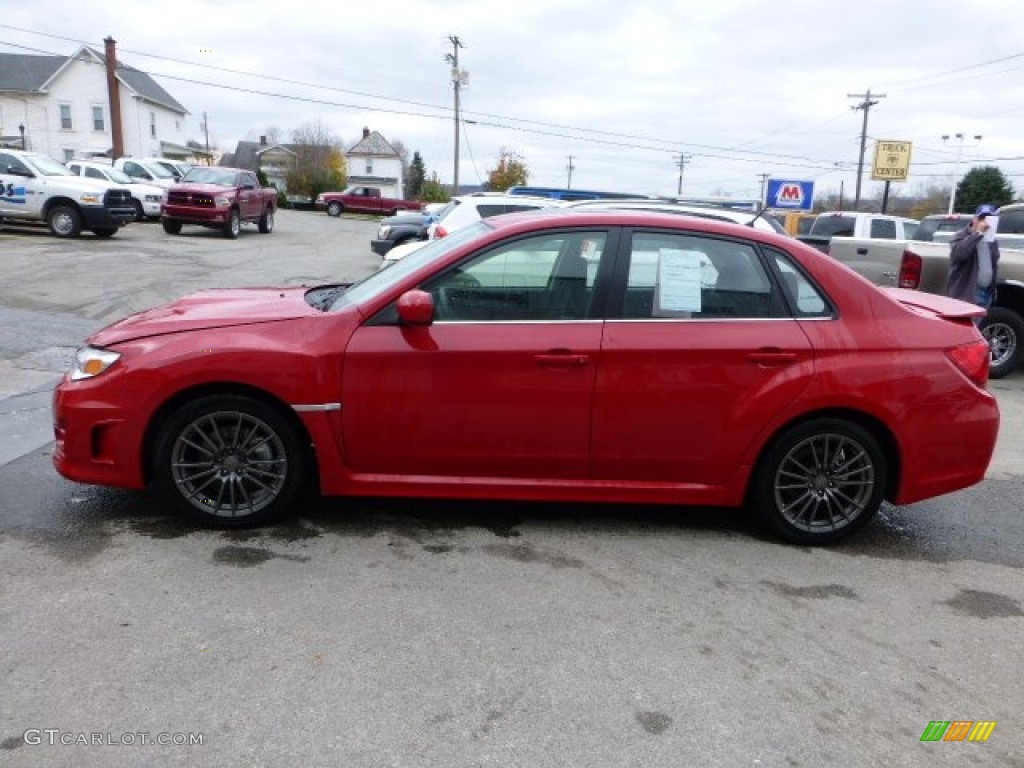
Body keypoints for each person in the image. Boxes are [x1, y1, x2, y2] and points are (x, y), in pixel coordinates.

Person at [948, 203, 1000, 314]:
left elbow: (994, 265)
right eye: (981, 218)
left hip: (985, 292)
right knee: (963, 329)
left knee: (977, 327)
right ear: (974, 219)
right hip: (967, 293)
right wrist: (978, 233)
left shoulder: (992, 241)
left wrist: (993, 290)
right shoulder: (960, 236)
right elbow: (958, 254)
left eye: (988, 218)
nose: (984, 222)